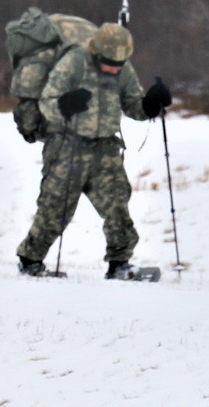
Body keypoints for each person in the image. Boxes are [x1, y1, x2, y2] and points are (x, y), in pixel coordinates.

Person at [15, 23, 172, 279]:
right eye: (108, 62)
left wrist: (152, 105)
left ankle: (119, 264)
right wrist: (65, 105)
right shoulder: (74, 62)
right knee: (56, 209)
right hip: (67, 146)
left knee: (117, 205)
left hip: (105, 147)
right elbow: (47, 102)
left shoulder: (122, 69)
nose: (114, 67)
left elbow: (133, 104)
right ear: (96, 52)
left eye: (119, 63)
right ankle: (30, 259)